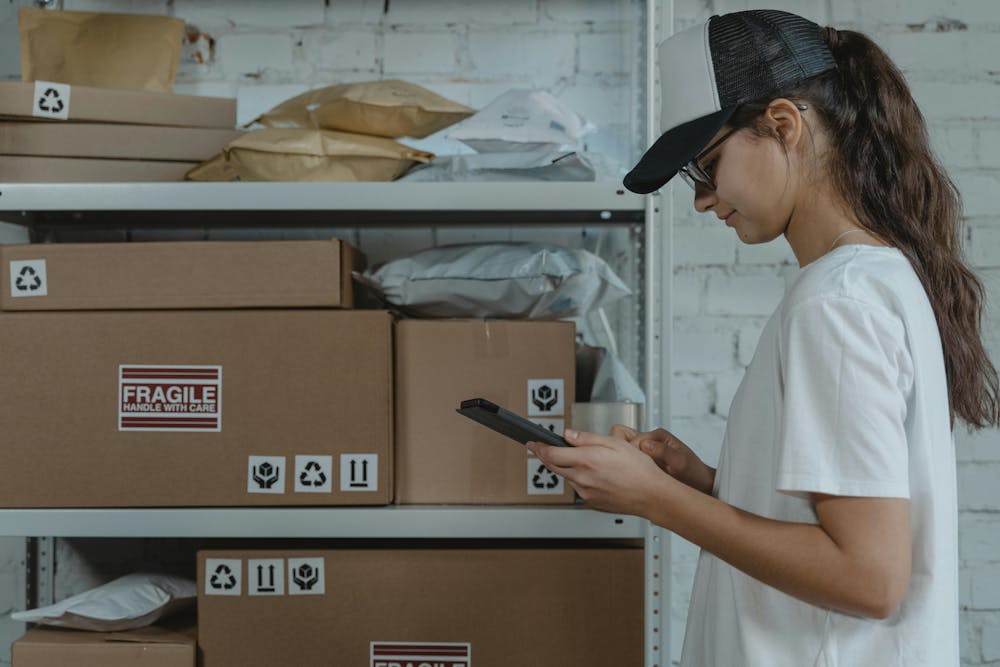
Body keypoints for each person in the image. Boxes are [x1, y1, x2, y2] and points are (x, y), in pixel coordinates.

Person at [526, 9, 999, 667]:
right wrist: (701, 481)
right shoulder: (877, 280)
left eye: (709, 165)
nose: (700, 199)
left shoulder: (836, 302)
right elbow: (843, 526)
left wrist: (654, 499)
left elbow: (870, 577)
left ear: (783, 126)